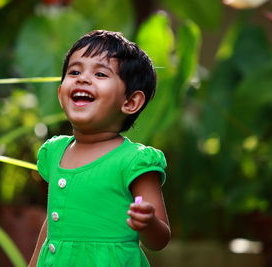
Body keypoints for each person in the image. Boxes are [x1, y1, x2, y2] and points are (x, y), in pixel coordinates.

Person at [29, 30, 170, 267]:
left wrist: (148, 223)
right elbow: (54, 227)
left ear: (130, 102)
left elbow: (160, 239)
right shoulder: (55, 152)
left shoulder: (134, 161)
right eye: (74, 71)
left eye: (100, 73)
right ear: (60, 92)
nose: (82, 79)